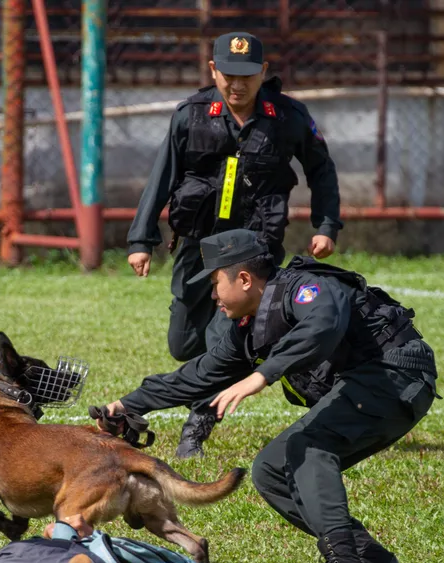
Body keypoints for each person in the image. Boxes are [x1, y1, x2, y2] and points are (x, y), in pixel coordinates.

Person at [100, 229, 439, 563]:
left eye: (215, 283)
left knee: (307, 447)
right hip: (371, 386)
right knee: (271, 469)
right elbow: (198, 375)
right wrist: (127, 404)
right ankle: (368, 557)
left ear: (244, 279)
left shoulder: (304, 289)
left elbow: (323, 324)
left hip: (395, 375)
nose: (213, 295)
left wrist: (262, 375)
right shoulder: (247, 327)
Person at [125, 31, 345, 459]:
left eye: (247, 75)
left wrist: (326, 225)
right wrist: (141, 239)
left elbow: (322, 169)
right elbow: (162, 176)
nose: (237, 85)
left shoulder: (288, 117)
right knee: (184, 342)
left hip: (253, 249)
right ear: (213, 70)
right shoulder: (190, 115)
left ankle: (196, 428)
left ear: (263, 72)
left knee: (224, 340)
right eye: (228, 75)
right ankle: (207, 376)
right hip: (197, 244)